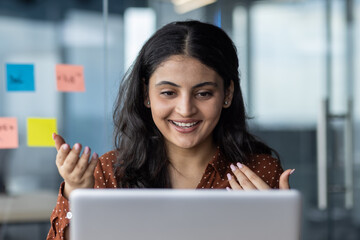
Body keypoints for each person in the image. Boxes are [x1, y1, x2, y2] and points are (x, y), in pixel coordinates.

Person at [47, 20, 294, 240]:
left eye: (203, 93)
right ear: (146, 94)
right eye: (168, 93)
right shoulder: (110, 172)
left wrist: (276, 228)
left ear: (227, 94)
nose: (185, 110)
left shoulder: (259, 173)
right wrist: (75, 192)